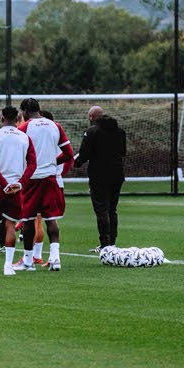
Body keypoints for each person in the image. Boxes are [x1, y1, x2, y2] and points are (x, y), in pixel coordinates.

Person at [15, 98, 74, 272]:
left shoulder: (25, 128)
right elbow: (69, 154)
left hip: (32, 179)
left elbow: (17, 152)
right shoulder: (55, 126)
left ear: (25, 112)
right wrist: (52, 162)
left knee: (28, 220)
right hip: (50, 178)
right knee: (50, 219)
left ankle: (28, 261)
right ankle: (55, 259)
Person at [0, 106, 35, 276]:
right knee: (10, 225)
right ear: (18, 117)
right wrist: (20, 183)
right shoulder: (25, 137)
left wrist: (2, 183)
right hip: (15, 187)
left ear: (3, 117)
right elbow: (33, 164)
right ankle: (8, 266)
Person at [75, 105, 127, 251]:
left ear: (91, 117)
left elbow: (83, 154)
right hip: (117, 174)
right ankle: (112, 243)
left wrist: (76, 163)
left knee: (102, 210)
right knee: (112, 209)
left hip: (99, 176)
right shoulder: (120, 131)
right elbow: (123, 152)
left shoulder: (91, 132)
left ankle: (105, 244)